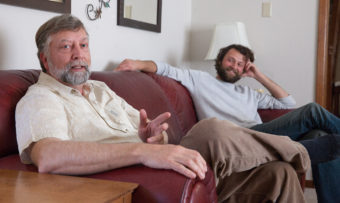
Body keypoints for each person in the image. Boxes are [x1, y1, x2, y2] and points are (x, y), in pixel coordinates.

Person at [15, 14, 310, 203]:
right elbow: (49, 156)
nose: (79, 55)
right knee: (210, 129)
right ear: (44, 59)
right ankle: (305, 152)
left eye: (84, 45)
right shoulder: (40, 97)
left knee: (279, 174)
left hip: (165, 169)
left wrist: (153, 138)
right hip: (135, 181)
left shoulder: (101, 89)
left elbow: (154, 141)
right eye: (66, 47)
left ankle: (292, 157)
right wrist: (143, 151)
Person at [116, 44, 340, 202]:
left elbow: (287, 102)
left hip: (261, 135)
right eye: (231, 60)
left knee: (319, 134)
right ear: (220, 61)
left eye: (241, 64)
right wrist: (137, 63)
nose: (235, 65)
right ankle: (303, 151)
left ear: (245, 70)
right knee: (313, 111)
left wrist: (258, 76)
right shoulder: (200, 79)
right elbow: (165, 69)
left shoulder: (250, 93)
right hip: (233, 138)